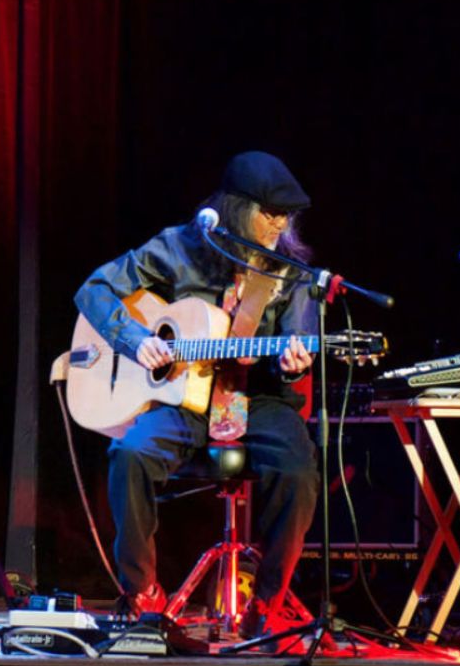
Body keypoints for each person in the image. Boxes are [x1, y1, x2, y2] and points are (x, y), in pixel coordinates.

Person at [74, 150, 320, 640]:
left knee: (297, 471)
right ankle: (143, 593)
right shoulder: (178, 247)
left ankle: (267, 604)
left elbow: (295, 351)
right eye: (268, 212)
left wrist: (296, 364)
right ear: (235, 208)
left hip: (259, 399)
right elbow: (94, 290)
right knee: (130, 453)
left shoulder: (289, 272)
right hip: (184, 398)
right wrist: (137, 340)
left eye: (285, 215)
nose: (279, 223)